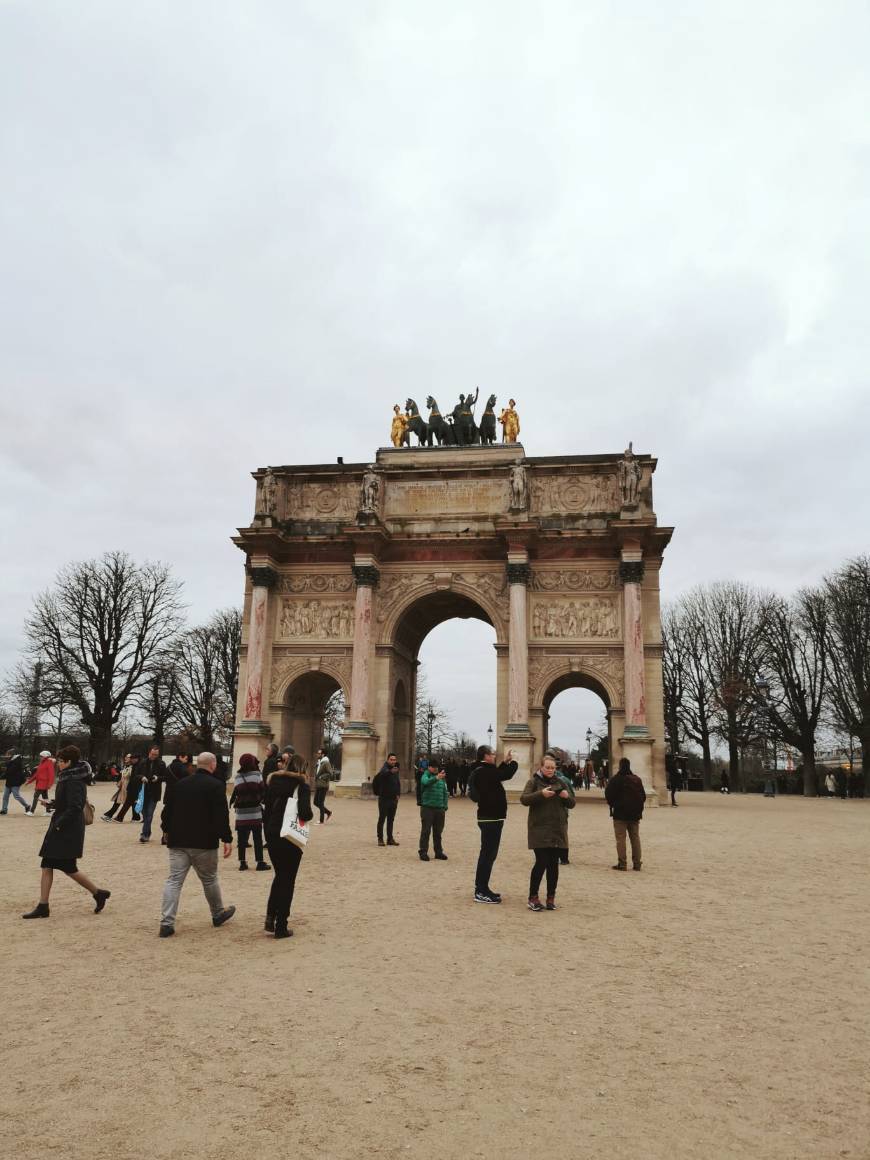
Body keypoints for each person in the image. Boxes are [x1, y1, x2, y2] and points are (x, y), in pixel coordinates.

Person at [22, 745, 110, 919]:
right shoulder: (69, 777)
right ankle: (45, 905)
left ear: (69, 762)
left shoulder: (74, 780)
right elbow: (68, 803)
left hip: (66, 830)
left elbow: (75, 807)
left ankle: (96, 893)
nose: (58, 764)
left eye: (61, 761)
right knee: (53, 865)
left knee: (65, 867)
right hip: (64, 827)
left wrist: (58, 825)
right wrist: (52, 804)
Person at [158, 751, 235, 938]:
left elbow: (167, 811)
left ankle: (166, 922)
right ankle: (217, 913)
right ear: (213, 765)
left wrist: (166, 830)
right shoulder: (216, 786)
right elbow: (220, 815)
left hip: (178, 840)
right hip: (204, 841)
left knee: (174, 881)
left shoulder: (180, 784)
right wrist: (226, 838)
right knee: (209, 879)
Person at [263, 753, 313, 939]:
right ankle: (281, 926)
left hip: (272, 833)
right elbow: (305, 813)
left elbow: (266, 809)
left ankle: (270, 917)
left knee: (279, 876)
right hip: (289, 836)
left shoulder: (273, 782)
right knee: (288, 880)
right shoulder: (301, 786)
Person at [521, 754, 575, 911]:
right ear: (541, 767)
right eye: (548, 767)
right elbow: (524, 799)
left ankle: (551, 898)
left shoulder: (561, 782)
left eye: (553, 768)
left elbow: (572, 803)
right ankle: (533, 897)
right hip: (539, 828)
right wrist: (540, 794)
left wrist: (567, 797)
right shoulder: (533, 781)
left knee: (553, 865)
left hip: (557, 829)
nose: (551, 770)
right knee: (541, 862)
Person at [471, 744, 517, 904]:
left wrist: (504, 762)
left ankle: (483, 887)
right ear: (486, 756)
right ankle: (480, 890)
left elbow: (498, 774)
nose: (495, 755)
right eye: (492, 753)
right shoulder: (485, 771)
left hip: (490, 817)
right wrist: (514, 762)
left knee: (489, 854)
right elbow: (505, 774)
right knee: (487, 855)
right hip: (490, 818)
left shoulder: (483, 770)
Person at [229, 753, 270, 871]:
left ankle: (242, 863)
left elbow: (237, 792)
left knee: (241, 839)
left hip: (241, 812)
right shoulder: (257, 775)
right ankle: (260, 862)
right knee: (257, 838)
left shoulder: (237, 777)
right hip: (255, 810)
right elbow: (263, 790)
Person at [604, 757, 646, 871]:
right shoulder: (637, 779)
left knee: (621, 839)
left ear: (620, 766)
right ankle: (637, 863)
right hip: (635, 814)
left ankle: (622, 863)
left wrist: (614, 804)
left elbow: (608, 795)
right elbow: (643, 796)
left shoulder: (616, 779)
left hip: (620, 813)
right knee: (635, 838)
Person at [418, 758, 448, 861]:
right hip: (427, 808)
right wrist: (436, 778)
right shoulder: (425, 775)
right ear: (429, 767)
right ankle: (423, 851)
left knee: (438, 832)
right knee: (426, 831)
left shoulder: (441, 778)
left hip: (439, 808)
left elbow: (445, 792)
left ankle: (438, 852)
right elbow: (425, 783)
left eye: (437, 767)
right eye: (433, 767)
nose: (435, 769)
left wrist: (445, 806)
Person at [138, 744, 168, 843]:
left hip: (154, 793)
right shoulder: (142, 762)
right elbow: (136, 775)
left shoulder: (162, 764)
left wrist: (158, 778)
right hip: (143, 792)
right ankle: (147, 832)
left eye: (156, 755)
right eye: (152, 754)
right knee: (145, 814)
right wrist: (141, 777)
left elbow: (166, 777)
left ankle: (145, 835)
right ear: (149, 752)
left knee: (149, 814)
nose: (154, 756)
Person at [372, 753, 401, 846]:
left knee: (390, 820)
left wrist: (398, 794)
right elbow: (383, 775)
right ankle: (380, 838)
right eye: (391, 759)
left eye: (394, 760)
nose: (393, 761)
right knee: (382, 819)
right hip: (384, 798)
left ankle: (390, 838)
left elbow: (397, 782)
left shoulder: (395, 770)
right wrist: (390, 772)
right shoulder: (384, 768)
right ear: (388, 760)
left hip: (393, 799)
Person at [113, 753, 142, 821]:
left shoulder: (137, 766)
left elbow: (134, 776)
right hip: (131, 786)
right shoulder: (134, 765)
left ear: (136, 759)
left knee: (129, 803)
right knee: (131, 802)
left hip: (134, 787)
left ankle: (119, 817)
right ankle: (136, 817)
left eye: (132, 758)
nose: (131, 760)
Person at [25, 751, 56, 815]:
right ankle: (48, 811)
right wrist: (29, 781)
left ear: (45, 756)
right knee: (45, 797)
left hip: (43, 784)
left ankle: (31, 811)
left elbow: (51, 774)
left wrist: (50, 784)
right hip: (40, 783)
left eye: (41, 756)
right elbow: (37, 774)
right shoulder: (42, 763)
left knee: (36, 796)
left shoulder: (49, 763)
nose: (40, 757)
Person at [313, 748, 333, 823]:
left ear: (323, 754)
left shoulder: (326, 762)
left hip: (323, 785)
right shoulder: (319, 762)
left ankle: (321, 821)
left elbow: (330, 773)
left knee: (320, 802)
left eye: (319, 753)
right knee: (315, 802)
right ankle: (328, 812)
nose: (317, 754)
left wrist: (322, 777)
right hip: (318, 784)